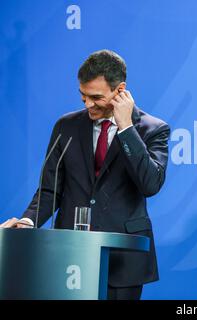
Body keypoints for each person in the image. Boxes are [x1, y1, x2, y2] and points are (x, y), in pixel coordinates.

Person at [0, 50, 170, 300]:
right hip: (69, 257)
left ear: (120, 90)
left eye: (96, 97)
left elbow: (150, 184)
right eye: (83, 97)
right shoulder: (65, 126)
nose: (88, 104)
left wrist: (126, 128)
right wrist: (28, 221)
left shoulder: (152, 129)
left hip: (123, 261)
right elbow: (50, 189)